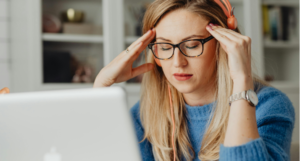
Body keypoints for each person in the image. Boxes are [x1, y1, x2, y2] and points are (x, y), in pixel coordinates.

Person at [93, 0, 295, 160]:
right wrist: (100, 87)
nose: (177, 62)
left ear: (224, 45)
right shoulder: (146, 112)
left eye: (191, 45)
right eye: (164, 47)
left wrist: (242, 80)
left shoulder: (269, 105)